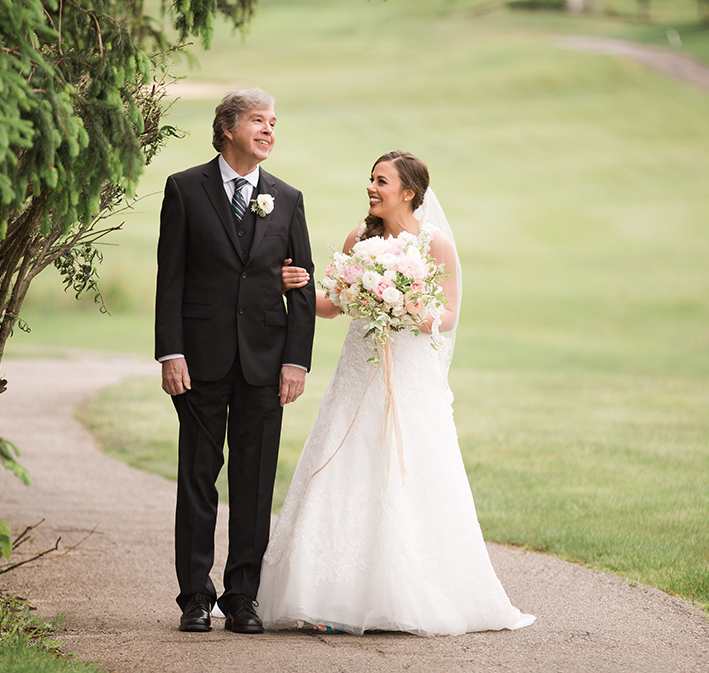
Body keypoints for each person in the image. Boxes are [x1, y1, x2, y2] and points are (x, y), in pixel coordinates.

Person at [257, 151, 535, 636]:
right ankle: (327, 596)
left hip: (409, 373)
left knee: (412, 471)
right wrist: (296, 288)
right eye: (370, 179)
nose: (371, 187)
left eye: (381, 181)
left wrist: (406, 307)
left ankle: (409, 593)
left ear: (408, 192)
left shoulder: (435, 244)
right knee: (345, 462)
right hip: (357, 373)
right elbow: (333, 305)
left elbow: (447, 314)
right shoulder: (358, 238)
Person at [155, 88, 316, 635]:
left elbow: (302, 284)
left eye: (274, 121)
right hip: (199, 361)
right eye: (257, 120)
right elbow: (170, 280)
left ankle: (242, 596)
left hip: (266, 364)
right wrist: (171, 352)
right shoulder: (184, 190)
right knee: (198, 477)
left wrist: (296, 361)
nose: (269, 130)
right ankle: (195, 597)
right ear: (227, 128)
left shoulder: (288, 198)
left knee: (255, 482)